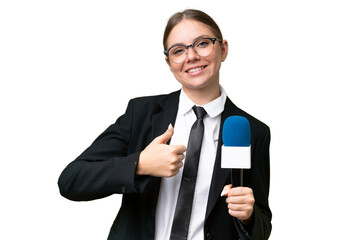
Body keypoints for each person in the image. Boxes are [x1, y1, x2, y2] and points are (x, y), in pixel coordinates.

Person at [58, 9, 271, 240]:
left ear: (223, 49)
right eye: (178, 50)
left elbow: (261, 226)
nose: (191, 56)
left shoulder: (251, 131)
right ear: (169, 63)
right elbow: (72, 180)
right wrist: (140, 165)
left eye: (202, 43)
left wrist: (248, 216)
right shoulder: (141, 114)